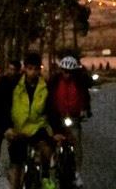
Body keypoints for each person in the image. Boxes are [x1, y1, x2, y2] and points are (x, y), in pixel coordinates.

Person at [5, 51, 54, 189]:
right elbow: (3, 106)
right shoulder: (14, 85)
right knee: (17, 168)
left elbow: (51, 109)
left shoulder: (45, 87)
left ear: (40, 69)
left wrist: (56, 130)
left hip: (37, 127)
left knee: (46, 150)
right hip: (18, 129)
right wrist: (7, 128)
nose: (33, 72)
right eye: (30, 68)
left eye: (36, 69)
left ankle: (45, 176)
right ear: (25, 68)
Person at [47, 55, 94, 188]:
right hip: (57, 116)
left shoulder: (80, 81)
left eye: (70, 72)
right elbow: (48, 97)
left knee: (77, 143)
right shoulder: (54, 81)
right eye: (64, 71)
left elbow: (86, 96)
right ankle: (53, 158)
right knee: (52, 138)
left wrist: (86, 110)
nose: (67, 74)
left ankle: (77, 173)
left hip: (73, 117)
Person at [0, 59, 21, 176]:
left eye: (14, 70)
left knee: (13, 141)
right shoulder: (1, 82)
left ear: (18, 71)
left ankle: (12, 164)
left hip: (13, 117)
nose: (11, 72)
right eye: (10, 69)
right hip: (0, 116)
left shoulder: (19, 83)